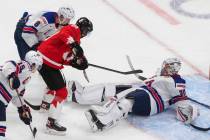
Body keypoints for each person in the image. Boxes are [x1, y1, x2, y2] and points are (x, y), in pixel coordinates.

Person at [67, 58, 199, 132]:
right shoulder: (161, 74)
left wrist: (189, 111)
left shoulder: (177, 81)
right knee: (110, 88)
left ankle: (103, 121)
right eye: (166, 67)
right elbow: (152, 82)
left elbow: (181, 100)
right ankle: (78, 95)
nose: (166, 69)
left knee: (127, 100)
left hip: (152, 101)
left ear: (173, 70)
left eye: (169, 68)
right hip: (143, 91)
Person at [36, 17, 93, 135]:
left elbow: (65, 57)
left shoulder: (75, 39)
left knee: (55, 86)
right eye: (87, 31)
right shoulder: (74, 29)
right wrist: (74, 46)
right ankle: (51, 124)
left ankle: (45, 106)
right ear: (83, 28)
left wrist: (76, 63)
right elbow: (64, 34)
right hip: (47, 61)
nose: (85, 34)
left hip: (46, 60)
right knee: (62, 92)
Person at [0, 51, 43, 139]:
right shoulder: (25, 65)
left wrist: (22, 109)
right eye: (38, 65)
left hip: (2, 100)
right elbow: (9, 65)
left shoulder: (27, 77)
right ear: (33, 62)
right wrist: (12, 76)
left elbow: (17, 96)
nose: (38, 68)